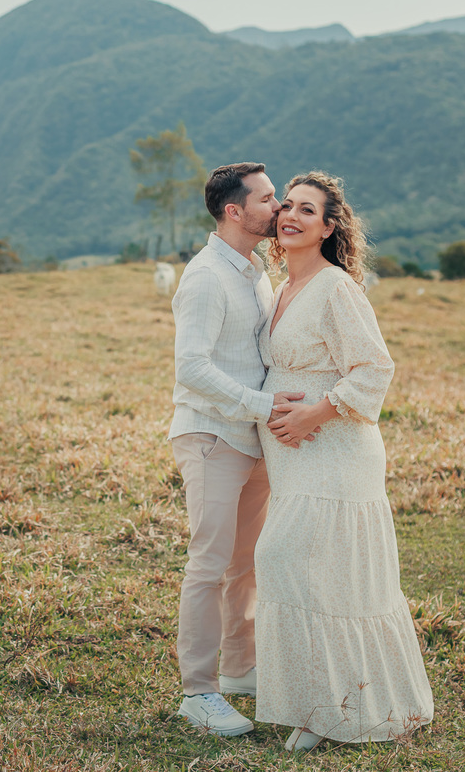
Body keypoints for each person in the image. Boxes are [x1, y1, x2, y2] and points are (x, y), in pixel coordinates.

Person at [253, 171, 434, 751]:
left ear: (330, 228)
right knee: (304, 570)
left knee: (297, 564)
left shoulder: (335, 288)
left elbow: (374, 368)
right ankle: (318, 702)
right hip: (293, 461)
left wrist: (312, 415)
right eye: (287, 205)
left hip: (334, 452)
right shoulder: (281, 287)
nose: (291, 216)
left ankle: (329, 710)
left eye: (308, 210)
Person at [168, 162, 314, 736]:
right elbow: (191, 367)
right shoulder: (206, 276)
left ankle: (238, 669)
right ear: (235, 210)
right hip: (211, 436)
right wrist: (262, 406)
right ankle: (197, 692)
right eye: (268, 198)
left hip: (251, 440)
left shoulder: (253, 271)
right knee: (208, 565)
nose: (279, 207)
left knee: (245, 563)